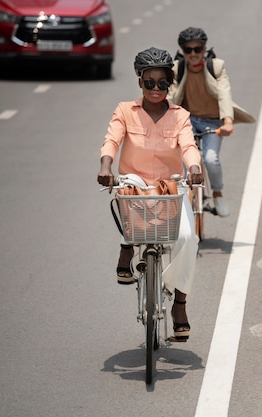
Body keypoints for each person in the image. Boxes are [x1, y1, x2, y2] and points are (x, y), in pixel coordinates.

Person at [97, 46, 203, 341]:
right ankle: (127, 244)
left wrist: (194, 167)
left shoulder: (180, 116)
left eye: (163, 83)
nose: (156, 89)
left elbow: (189, 146)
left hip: (169, 189)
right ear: (139, 80)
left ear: (170, 83)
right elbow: (111, 141)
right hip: (135, 187)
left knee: (187, 239)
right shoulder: (124, 111)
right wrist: (106, 165)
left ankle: (179, 305)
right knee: (128, 188)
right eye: (149, 82)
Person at [168, 26, 255, 218]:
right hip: (187, 120)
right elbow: (171, 98)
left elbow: (224, 93)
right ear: (182, 51)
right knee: (182, 161)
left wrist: (228, 122)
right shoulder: (177, 68)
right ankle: (183, 196)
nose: (193, 54)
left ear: (204, 48)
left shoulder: (215, 67)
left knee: (210, 159)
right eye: (188, 50)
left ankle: (217, 193)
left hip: (212, 122)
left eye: (197, 49)